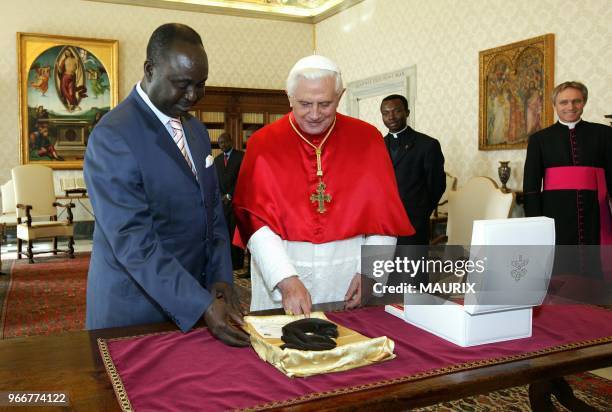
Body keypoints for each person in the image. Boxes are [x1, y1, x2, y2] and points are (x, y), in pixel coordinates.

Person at [84, 23, 249, 347]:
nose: (192, 96)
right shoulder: (113, 136)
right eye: (182, 84)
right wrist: (199, 303)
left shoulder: (198, 132)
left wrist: (219, 278)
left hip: (198, 302)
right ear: (150, 69)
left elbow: (213, 210)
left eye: (200, 85)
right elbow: (134, 242)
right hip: (135, 312)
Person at [233, 55, 414, 315]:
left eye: (325, 104)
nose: (315, 114)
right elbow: (253, 221)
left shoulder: (367, 139)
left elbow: (384, 219)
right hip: (281, 277)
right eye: (305, 104)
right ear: (289, 96)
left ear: (340, 96)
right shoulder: (263, 144)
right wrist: (284, 278)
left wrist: (371, 273)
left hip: (347, 277)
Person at [523, 81, 612, 246]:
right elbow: (531, 187)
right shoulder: (539, 139)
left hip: (594, 211)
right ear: (554, 105)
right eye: (563, 102)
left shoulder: (604, 134)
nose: (570, 107)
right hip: (555, 211)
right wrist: (534, 222)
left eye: (576, 101)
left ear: (583, 102)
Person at [380, 94, 446, 245]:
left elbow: (437, 185)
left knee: (413, 267)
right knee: (385, 268)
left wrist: (421, 213)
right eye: (385, 113)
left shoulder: (427, 145)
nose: (391, 117)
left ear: (407, 112)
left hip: (414, 223)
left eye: (396, 111)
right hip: (384, 224)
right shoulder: (377, 146)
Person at [214, 132, 245, 270]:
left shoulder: (241, 156)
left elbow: (242, 179)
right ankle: (228, 262)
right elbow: (216, 180)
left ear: (231, 141)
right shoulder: (218, 159)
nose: (222, 146)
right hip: (222, 203)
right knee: (225, 233)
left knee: (235, 233)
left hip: (237, 201)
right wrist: (221, 195)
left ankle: (237, 263)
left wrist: (229, 195)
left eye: (225, 142)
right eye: (220, 143)